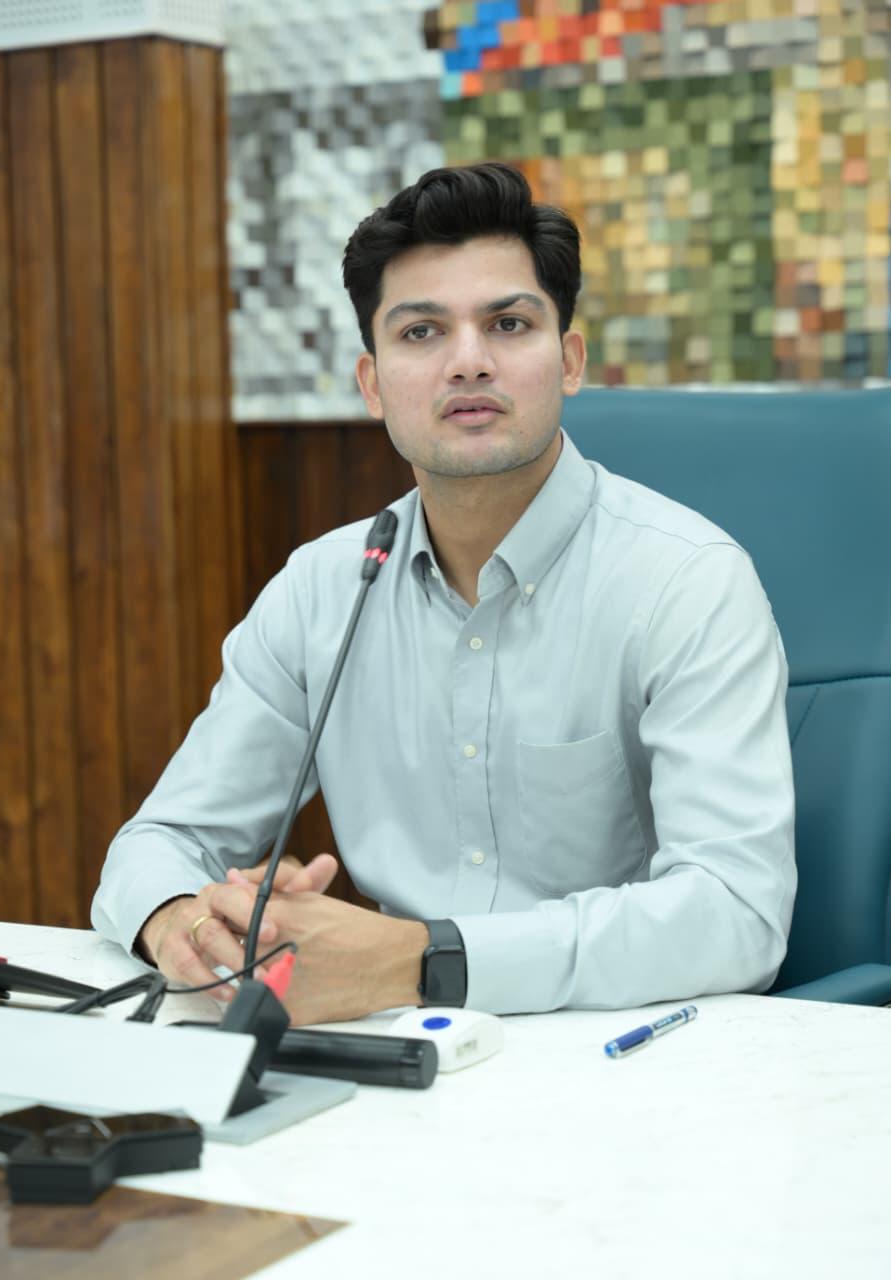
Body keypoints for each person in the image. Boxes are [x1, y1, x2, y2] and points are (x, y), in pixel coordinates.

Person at [91, 163, 796, 1023]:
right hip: (387, 1043)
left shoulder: (686, 579)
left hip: (622, 1049)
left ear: (569, 361)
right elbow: (162, 842)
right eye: (421, 332)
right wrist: (183, 923)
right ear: (372, 383)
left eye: (508, 324)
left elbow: (736, 913)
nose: (468, 361)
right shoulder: (322, 588)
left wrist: (422, 959)